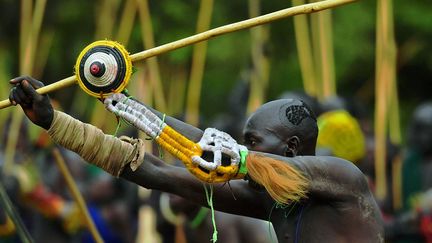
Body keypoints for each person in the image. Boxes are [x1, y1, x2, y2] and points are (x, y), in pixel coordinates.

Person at [8, 76, 384, 242]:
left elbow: (224, 155)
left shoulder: (343, 178)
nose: (242, 147)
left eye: (252, 141)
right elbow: (153, 171)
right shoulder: (266, 199)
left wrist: (123, 102)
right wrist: (54, 121)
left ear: (290, 150)